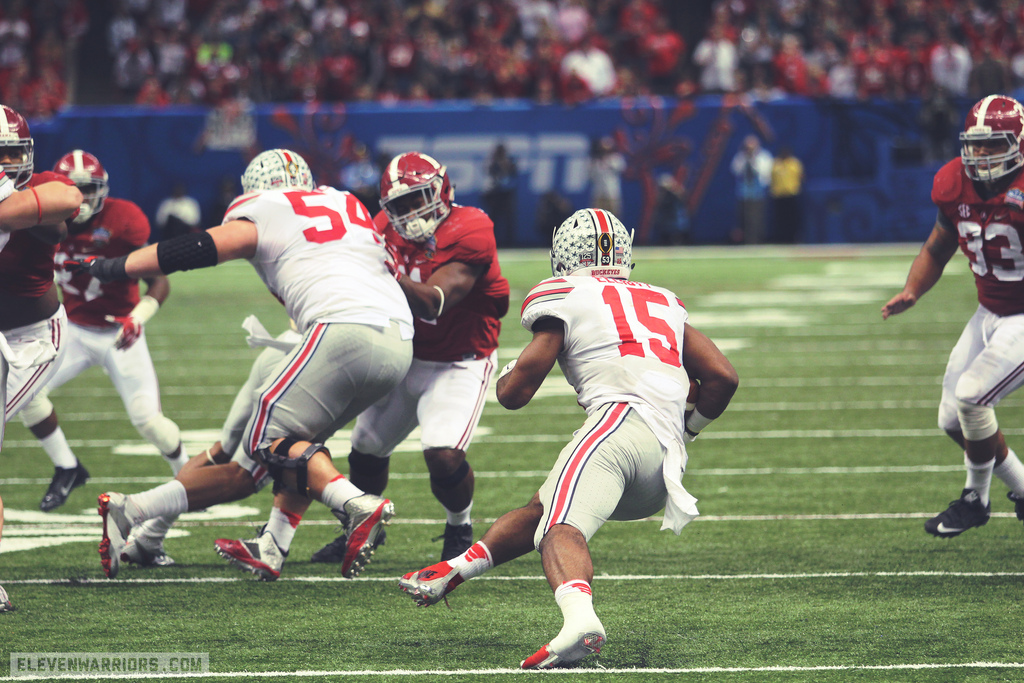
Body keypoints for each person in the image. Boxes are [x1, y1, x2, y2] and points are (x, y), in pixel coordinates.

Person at [399, 208, 738, 668]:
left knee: (560, 529)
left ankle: (580, 622)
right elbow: (722, 376)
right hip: (665, 462)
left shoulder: (565, 294)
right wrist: (687, 431)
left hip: (617, 426)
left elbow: (516, 393)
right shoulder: (662, 300)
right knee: (546, 509)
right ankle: (456, 568)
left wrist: (504, 378)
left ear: (564, 253)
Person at [65, 149, 415, 579]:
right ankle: (271, 545)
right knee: (295, 447)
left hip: (340, 331)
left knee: (263, 446)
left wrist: (114, 267)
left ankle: (354, 504)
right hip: (399, 338)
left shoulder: (267, 208)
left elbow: (203, 247)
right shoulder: (345, 201)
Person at [217, 151, 510, 577]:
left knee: (443, 455)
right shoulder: (379, 228)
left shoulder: (471, 227)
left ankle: (459, 527)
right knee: (366, 451)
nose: (410, 213)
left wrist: (384, 272)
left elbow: (433, 303)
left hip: (460, 359)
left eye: (418, 200)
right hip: (406, 354)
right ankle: (361, 527)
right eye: (400, 206)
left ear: (442, 190)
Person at [882, 94, 1024, 539]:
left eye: (992, 144)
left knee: (972, 397)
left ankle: (974, 499)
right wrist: (913, 289)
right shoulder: (952, 183)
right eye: (975, 144)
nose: (980, 155)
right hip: (990, 311)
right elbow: (937, 246)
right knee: (952, 418)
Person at [20, 150, 188, 513]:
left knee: (149, 421)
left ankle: (190, 477)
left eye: (89, 189)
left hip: (118, 332)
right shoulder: (41, 221)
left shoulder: (123, 220)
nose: (82, 198)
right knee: (25, 393)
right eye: (74, 189)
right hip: (73, 331)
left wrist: (138, 317)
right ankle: (67, 467)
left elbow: (158, 280)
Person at [0, 103, 85, 612]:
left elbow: (65, 198)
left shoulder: (42, 186)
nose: (8, 165)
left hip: (32, 337)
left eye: (12, 153)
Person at [730, 135, 772, 245]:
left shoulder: (763, 156)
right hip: (744, 192)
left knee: (756, 218)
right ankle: (746, 241)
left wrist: (753, 160)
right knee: (743, 218)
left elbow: (765, 172)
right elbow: (735, 170)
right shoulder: (741, 157)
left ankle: (757, 240)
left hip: (758, 193)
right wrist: (746, 158)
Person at [481, 143, 518, 247]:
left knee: (509, 219)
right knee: (493, 220)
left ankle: (510, 243)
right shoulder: (492, 162)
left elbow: (514, 174)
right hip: (495, 194)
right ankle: (492, 243)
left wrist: (506, 165)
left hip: (507, 194)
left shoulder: (510, 161)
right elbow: (489, 174)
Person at [770, 146, 804, 244]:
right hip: (779, 195)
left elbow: (801, 176)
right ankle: (781, 239)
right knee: (780, 219)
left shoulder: (794, 163)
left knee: (792, 218)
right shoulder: (776, 163)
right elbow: (771, 177)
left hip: (791, 194)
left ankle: (793, 238)